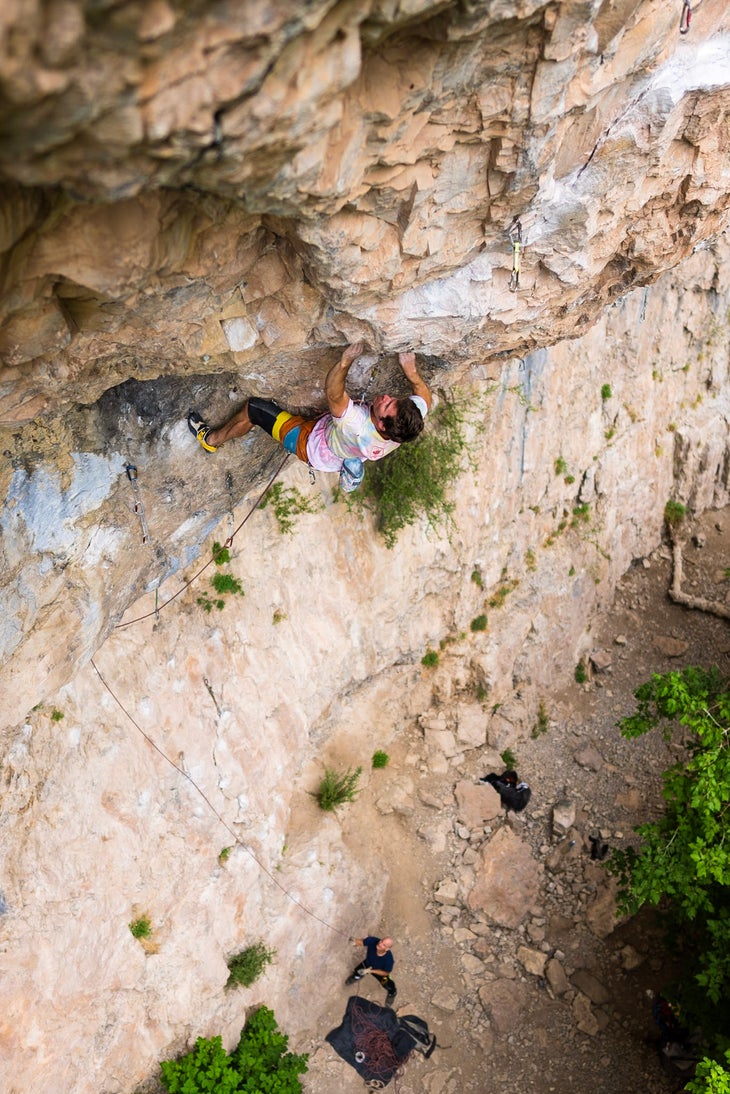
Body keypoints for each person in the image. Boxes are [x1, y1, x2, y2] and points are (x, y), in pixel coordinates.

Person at [187, 343, 432, 492]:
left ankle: (211, 440)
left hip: (310, 444)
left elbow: (334, 394)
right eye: (394, 400)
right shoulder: (404, 426)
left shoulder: (356, 425)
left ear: (380, 425)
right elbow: (424, 398)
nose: (386, 396)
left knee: (254, 409)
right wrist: (410, 370)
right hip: (334, 442)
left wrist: (346, 360)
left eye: (387, 404)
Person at [345, 936, 397, 1007]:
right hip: (368, 963)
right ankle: (356, 977)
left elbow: (386, 972)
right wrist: (355, 942)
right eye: (381, 941)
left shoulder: (388, 960)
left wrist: (370, 971)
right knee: (358, 972)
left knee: (388, 985)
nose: (380, 944)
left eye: (384, 945)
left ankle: (392, 993)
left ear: (387, 949)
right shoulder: (373, 941)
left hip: (379, 972)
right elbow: (361, 942)